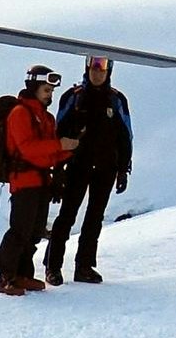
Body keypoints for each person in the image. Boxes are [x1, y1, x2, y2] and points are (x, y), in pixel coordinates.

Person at [44, 56, 134, 283]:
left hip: (106, 168)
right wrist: (57, 170)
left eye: (102, 67)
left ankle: (84, 267)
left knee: (94, 218)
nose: (97, 72)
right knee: (66, 217)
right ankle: (52, 267)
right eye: (94, 66)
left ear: (109, 70)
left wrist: (123, 169)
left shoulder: (116, 99)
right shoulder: (73, 97)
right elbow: (59, 132)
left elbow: (126, 136)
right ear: (87, 68)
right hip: (76, 166)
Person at [0, 68, 67, 294]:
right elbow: (27, 149)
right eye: (46, 90)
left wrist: (70, 149)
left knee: (34, 232)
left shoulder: (46, 117)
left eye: (51, 90)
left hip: (42, 181)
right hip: (24, 181)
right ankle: (5, 277)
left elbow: (49, 153)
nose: (49, 95)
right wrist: (61, 145)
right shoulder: (19, 113)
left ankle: (22, 274)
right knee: (19, 231)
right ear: (34, 88)